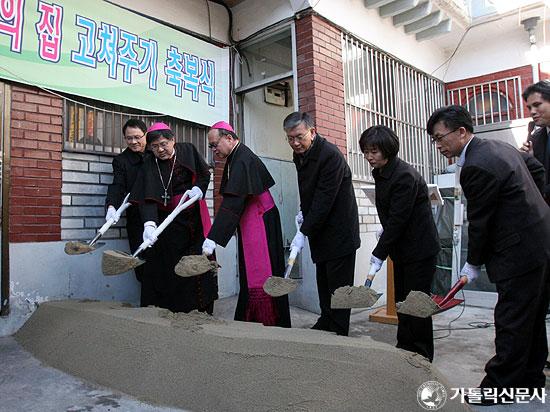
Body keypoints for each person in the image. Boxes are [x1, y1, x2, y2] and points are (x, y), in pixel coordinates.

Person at [427, 105, 550, 402]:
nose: (438, 145)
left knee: (511, 319)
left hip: (519, 251)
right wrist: (532, 204)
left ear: (461, 132)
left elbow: (480, 223)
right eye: (433, 140)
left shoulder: (476, 166)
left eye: (440, 137)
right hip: (540, 240)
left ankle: (497, 389)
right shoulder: (497, 147)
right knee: (529, 318)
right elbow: (536, 168)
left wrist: (472, 264)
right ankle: (531, 381)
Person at [359, 125, 440, 362]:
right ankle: (405, 347)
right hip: (402, 248)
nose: (369, 157)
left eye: (374, 151)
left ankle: (422, 354)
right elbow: (393, 215)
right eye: (365, 151)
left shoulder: (403, 175)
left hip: (419, 250)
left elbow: (398, 220)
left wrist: (379, 252)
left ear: (388, 149)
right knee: (401, 303)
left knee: (416, 305)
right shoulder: (382, 172)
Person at [202, 121, 291, 327]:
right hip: (253, 219)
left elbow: (233, 202)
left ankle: (266, 319)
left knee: (260, 274)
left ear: (229, 138)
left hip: (259, 222)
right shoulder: (236, 158)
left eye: (215, 145)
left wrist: (213, 237)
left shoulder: (242, 159)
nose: (214, 150)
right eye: (211, 146)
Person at [283, 112, 360, 336]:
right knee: (324, 283)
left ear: (312, 132)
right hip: (320, 231)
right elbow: (310, 191)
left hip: (339, 231)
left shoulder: (330, 155)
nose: (295, 143)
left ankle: (338, 332)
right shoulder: (300, 155)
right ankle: (326, 320)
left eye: (299, 136)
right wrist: (302, 211)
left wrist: (303, 231)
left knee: (339, 289)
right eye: (289, 138)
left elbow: (325, 198)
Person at [134, 122, 217, 313]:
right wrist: (149, 223)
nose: (160, 150)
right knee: (170, 266)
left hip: (193, 218)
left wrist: (200, 189)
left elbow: (204, 174)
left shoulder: (188, 150)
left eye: (164, 144)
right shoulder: (149, 163)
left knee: (198, 260)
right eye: (154, 147)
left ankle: (201, 309)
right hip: (168, 224)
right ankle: (174, 309)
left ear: (173, 140)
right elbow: (148, 199)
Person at [105, 119, 149, 282]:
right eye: (129, 138)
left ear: (146, 135)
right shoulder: (121, 161)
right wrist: (111, 206)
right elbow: (117, 185)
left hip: (161, 214)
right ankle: (147, 304)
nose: (133, 142)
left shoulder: (155, 153)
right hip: (137, 216)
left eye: (137, 137)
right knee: (141, 262)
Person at [520, 80, 550, 205]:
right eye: (529, 107)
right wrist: (530, 160)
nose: (532, 112)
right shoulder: (535, 138)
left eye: (537, 105)